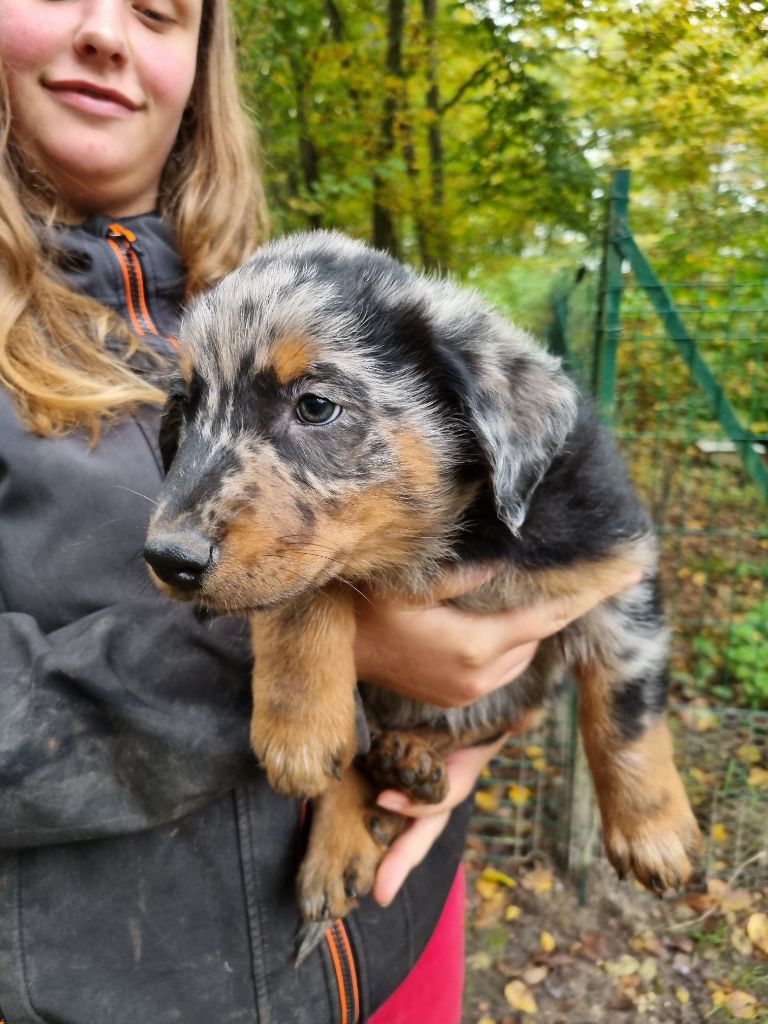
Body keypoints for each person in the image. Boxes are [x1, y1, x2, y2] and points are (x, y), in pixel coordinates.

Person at [0, 2, 639, 1021]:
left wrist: (458, 732)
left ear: (203, 63)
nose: (107, 34)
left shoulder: (267, 288)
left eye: (159, 11)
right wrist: (304, 649)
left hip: (402, 923)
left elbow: (528, 558)